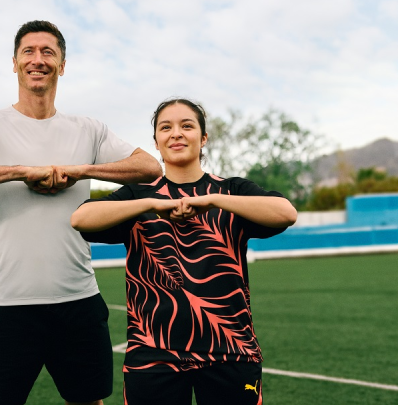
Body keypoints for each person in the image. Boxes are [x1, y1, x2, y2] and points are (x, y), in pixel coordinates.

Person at [0, 20, 162, 405]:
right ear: (15, 63)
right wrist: (21, 171)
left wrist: (80, 170)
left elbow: (149, 167)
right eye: (29, 52)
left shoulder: (88, 129)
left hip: (79, 301)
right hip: (7, 305)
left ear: (62, 65)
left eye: (48, 52)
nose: (38, 59)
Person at [71, 98, 297, 405]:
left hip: (231, 351)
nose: (176, 133)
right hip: (152, 354)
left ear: (203, 138)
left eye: (187, 126)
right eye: (166, 128)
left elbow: (285, 213)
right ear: (156, 142)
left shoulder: (232, 191)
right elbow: (81, 219)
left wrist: (212, 200)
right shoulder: (137, 196)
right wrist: (151, 204)